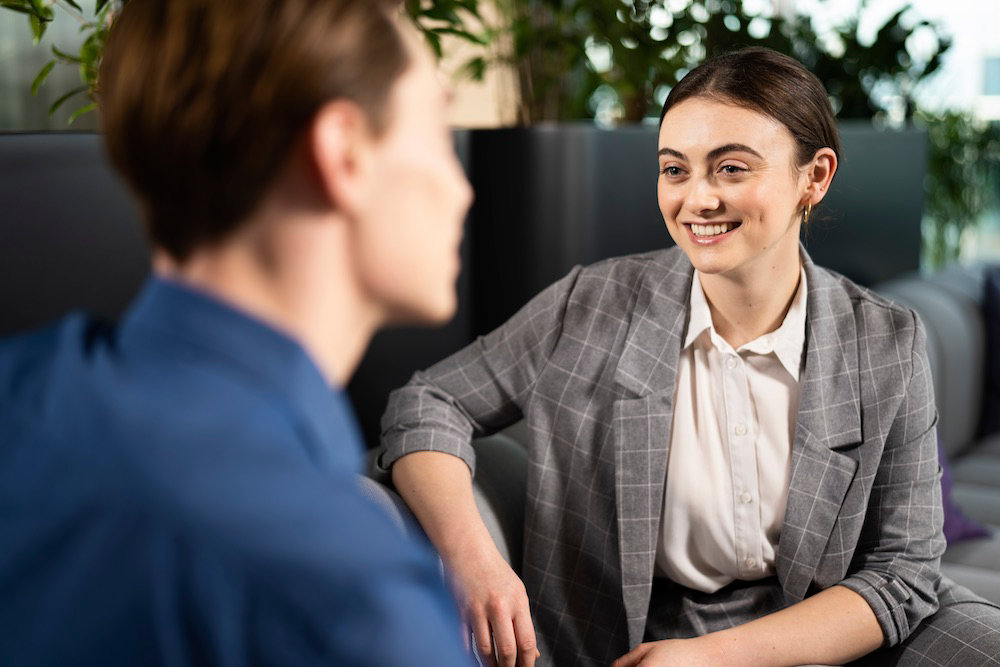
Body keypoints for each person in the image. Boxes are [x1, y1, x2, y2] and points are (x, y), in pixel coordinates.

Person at [380, 47, 1000, 666]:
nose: (697, 200)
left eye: (731, 168)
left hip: (823, 634)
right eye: (675, 170)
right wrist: (472, 559)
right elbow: (428, 402)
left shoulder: (886, 341)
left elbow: (905, 570)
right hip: (630, 640)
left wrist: (714, 657)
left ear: (814, 176)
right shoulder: (593, 304)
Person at [0, 0, 476, 664]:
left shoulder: (18, 391)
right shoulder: (352, 598)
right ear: (345, 154)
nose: (463, 190)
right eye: (436, 128)